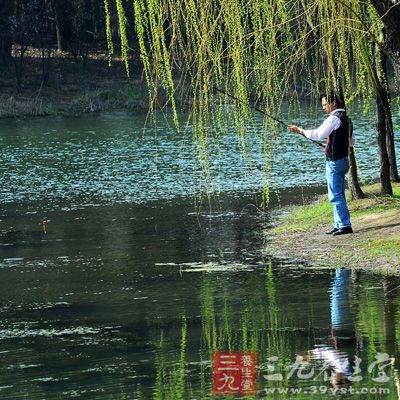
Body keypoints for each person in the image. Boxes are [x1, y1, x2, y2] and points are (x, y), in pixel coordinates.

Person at [288, 92, 354, 236]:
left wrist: (300, 130)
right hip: (344, 161)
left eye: (325, 104)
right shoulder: (347, 119)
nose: (324, 108)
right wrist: (330, 144)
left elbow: (317, 134)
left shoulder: (333, 119)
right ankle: (338, 224)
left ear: (334, 103)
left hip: (335, 163)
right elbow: (351, 141)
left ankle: (344, 225)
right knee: (338, 193)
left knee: (335, 195)